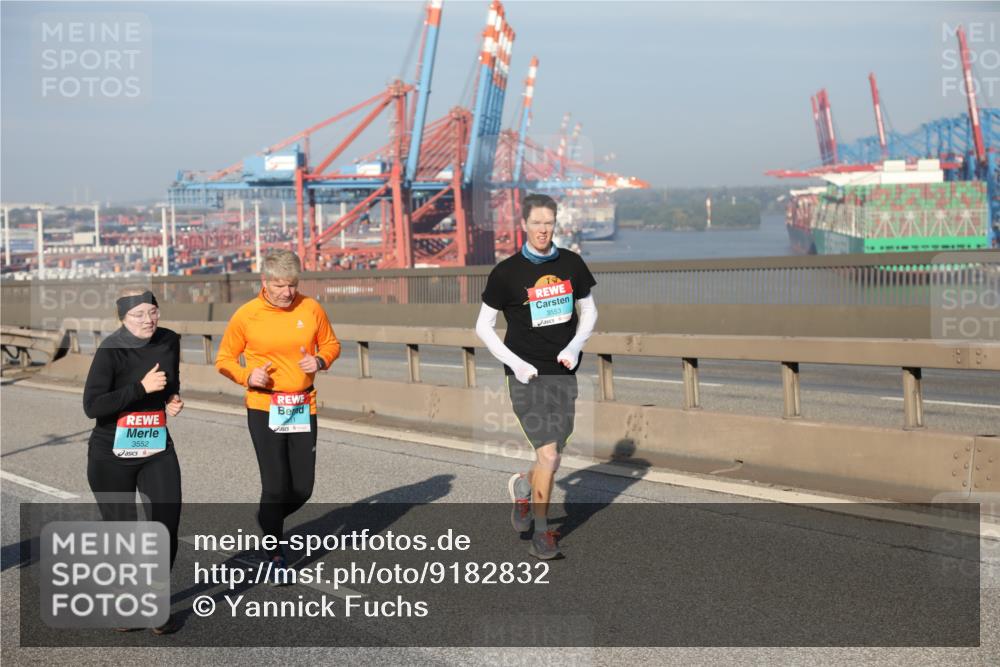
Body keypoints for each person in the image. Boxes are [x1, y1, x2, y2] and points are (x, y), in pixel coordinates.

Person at [476, 193, 598, 559]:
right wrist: (515, 364)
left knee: (552, 453)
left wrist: (575, 346)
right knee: (550, 457)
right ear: (524, 225)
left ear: (555, 224)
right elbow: (483, 327)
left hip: (563, 372)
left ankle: (523, 489)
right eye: (537, 223)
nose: (543, 229)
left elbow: (589, 312)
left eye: (549, 222)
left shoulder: (572, 264)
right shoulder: (506, 272)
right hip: (526, 377)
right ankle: (542, 534)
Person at [215, 249, 340, 581]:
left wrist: (320, 361)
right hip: (263, 406)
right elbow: (224, 359)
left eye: (293, 285)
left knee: (302, 489)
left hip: (302, 406)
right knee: (275, 487)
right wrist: (246, 376)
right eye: (281, 286)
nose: (288, 293)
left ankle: (268, 519)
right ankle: (274, 550)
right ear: (264, 282)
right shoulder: (247, 315)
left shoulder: (311, 308)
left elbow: (331, 344)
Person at [83, 287, 184, 635]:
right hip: (111, 453)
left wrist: (172, 399)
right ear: (123, 318)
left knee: (166, 524)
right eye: (138, 315)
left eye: (152, 311)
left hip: (156, 447)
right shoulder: (111, 350)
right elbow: (92, 407)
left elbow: (171, 381)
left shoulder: (170, 339)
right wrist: (141, 389)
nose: (147, 320)